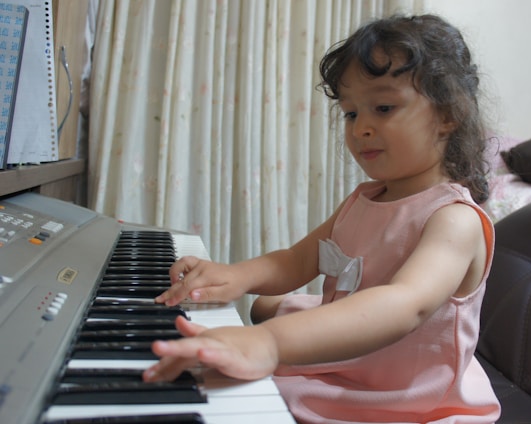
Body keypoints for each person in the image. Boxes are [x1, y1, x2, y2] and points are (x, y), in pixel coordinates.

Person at [144, 13, 501, 423]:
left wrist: (270, 343)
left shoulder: (454, 219)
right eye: (351, 113)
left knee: (253, 360)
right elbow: (295, 260)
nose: (362, 127)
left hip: (404, 394)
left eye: (383, 107)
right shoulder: (363, 199)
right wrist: (234, 275)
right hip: (354, 360)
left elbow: (405, 305)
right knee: (263, 305)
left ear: (447, 114)